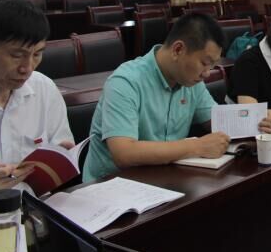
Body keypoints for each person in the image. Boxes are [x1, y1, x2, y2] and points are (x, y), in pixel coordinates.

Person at [83, 13, 230, 182]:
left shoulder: (191, 82)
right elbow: (124, 153)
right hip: (111, 186)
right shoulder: (125, 81)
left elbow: (221, 122)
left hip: (163, 180)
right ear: (178, 50)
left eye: (212, 66)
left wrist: (252, 122)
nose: (207, 73)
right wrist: (197, 146)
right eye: (205, 63)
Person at [0, 0, 74, 191]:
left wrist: (62, 158)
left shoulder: (44, 89)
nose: (27, 68)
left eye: (37, 54)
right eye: (16, 55)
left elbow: (61, 147)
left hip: (37, 204)